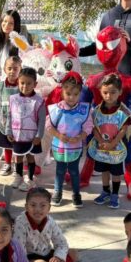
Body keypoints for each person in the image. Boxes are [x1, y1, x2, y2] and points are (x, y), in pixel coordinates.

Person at [13, 187, 85, 262]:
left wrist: (58, 257)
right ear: (26, 206)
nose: (38, 209)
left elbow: (61, 243)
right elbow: (19, 251)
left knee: (74, 253)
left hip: (48, 255)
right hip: (30, 258)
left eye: (43, 205)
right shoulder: (20, 223)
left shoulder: (50, 221)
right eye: (33, 205)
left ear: (49, 208)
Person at [46, 71, 93, 208]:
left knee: (74, 171)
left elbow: (88, 126)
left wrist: (81, 136)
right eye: (68, 94)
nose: (72, 97)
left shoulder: (84, 110)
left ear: (80, 93)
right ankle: (57, 191)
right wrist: (59, 135)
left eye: (75, 94)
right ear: (62, 92)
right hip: (60, 146)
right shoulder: (57, 109)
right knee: (59, 171)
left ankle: (76, 193)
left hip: (75, 147)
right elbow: (49, 125)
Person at [89, 74, 131, 209]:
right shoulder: (96, 111)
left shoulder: (123, 111)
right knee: (104, 171)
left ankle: (115, 194)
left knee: (116, 172)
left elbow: (123, 130)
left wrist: (112, 144)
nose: (109, 96)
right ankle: (105, 191)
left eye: (113, 92)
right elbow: (94, 128)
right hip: (101, 146)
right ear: (101, 92)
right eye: (105, 92)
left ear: (120, 92)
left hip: (117, 148)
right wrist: (101, 141)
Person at [6, 67, 46, 192]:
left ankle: (30, 179)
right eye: (22, 83)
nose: (25, 86)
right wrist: (8, 131)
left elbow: (42, 120)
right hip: (17, 135)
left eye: (29, 83)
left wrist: (39, 136)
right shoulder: (13, 99)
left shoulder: (39, 101)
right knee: (17, 156)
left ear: (35, 84)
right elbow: (9, 116)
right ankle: (18, 176)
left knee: (30, 157)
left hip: (32, 136)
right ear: (18, 82)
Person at [0, 55, 22, 176]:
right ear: (4, 69)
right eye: (9, 68)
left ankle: (17, 164)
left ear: (20, 69)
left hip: (18, 122)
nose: (12, 71)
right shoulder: (0, 86)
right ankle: (7, 163)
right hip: (4, 121)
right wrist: (0, 118)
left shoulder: (22, 85)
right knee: (6, 145)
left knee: (16, 144)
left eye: (15, 69)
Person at [0, 10, 25, 80]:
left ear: (16, 25)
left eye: (11, 23)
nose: (7, 25)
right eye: (5, 21)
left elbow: (26, 58)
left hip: (14, 82)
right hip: (0, 82)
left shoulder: (19, 41)